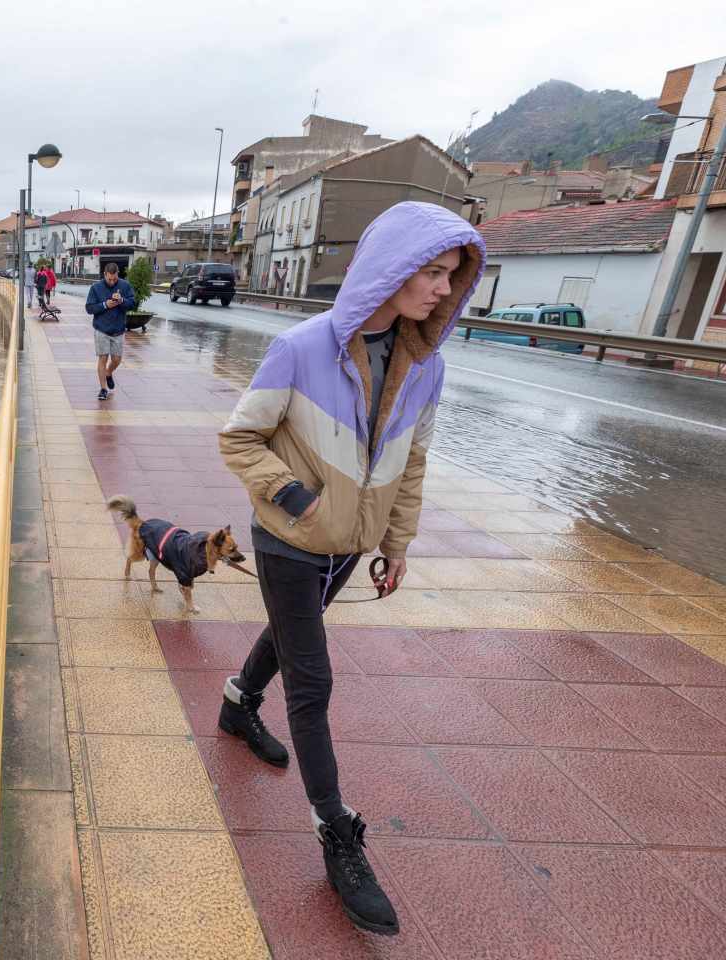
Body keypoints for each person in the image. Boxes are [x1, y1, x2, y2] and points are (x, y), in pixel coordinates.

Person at [217, 202, 485, 936]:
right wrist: (296, 497)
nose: (442, 290)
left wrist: (396, 544)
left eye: (451, 277)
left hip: (351, 545)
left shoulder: (426, 368)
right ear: (391, 269)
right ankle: (337, 829)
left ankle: (238, 701)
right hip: (289, 538)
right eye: (431, 272)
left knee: (289, 633)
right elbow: (240, 439)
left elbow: (412, 462)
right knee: (314, 679)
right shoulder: (301, 349)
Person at [84, 262, 136, 402]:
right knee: (103, 358)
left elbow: (132, 304)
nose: (112, 281)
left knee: (117, 360)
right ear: (105, 274)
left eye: (114, 279)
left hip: (118, 329)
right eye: (109, 279)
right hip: (101, 329)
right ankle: (103, 389)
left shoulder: (124, 286)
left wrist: (122, 301)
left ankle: (109, 372)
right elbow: (89, 308)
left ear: (117, 274)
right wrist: (105, 305)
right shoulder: (96, 288)